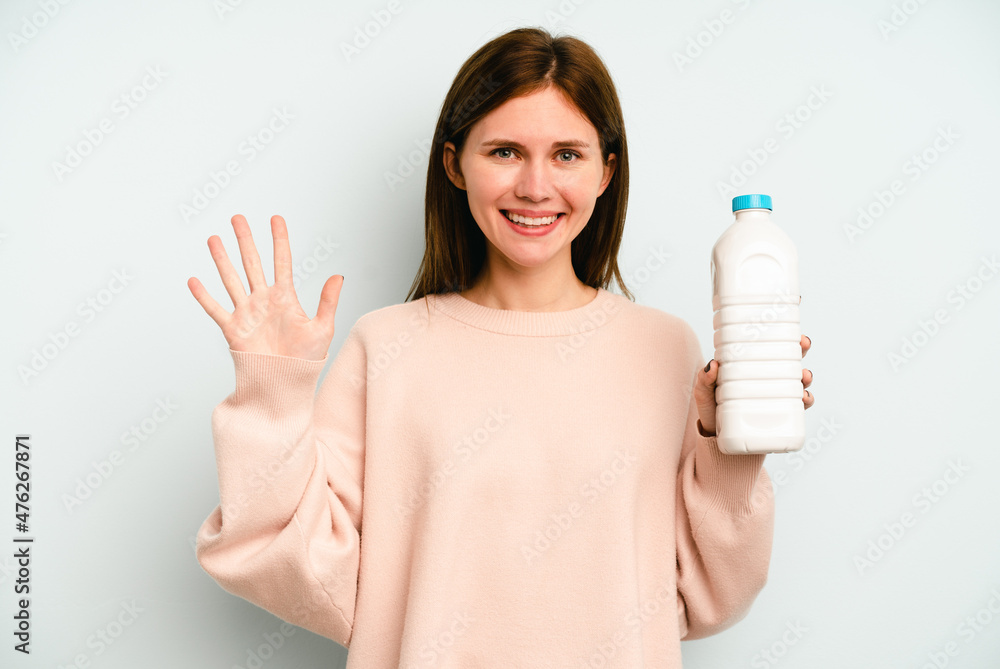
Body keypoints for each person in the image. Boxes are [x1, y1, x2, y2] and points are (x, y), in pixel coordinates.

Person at [189, 26, 815, 668]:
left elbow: (710, 594)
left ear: (607, 171)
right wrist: (272, 391)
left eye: (567, 154)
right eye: (506, 152)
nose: (535, 187)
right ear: (455, 164)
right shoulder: (387, 346)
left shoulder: (665, 347)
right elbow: (295, 568)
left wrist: (731, 449)